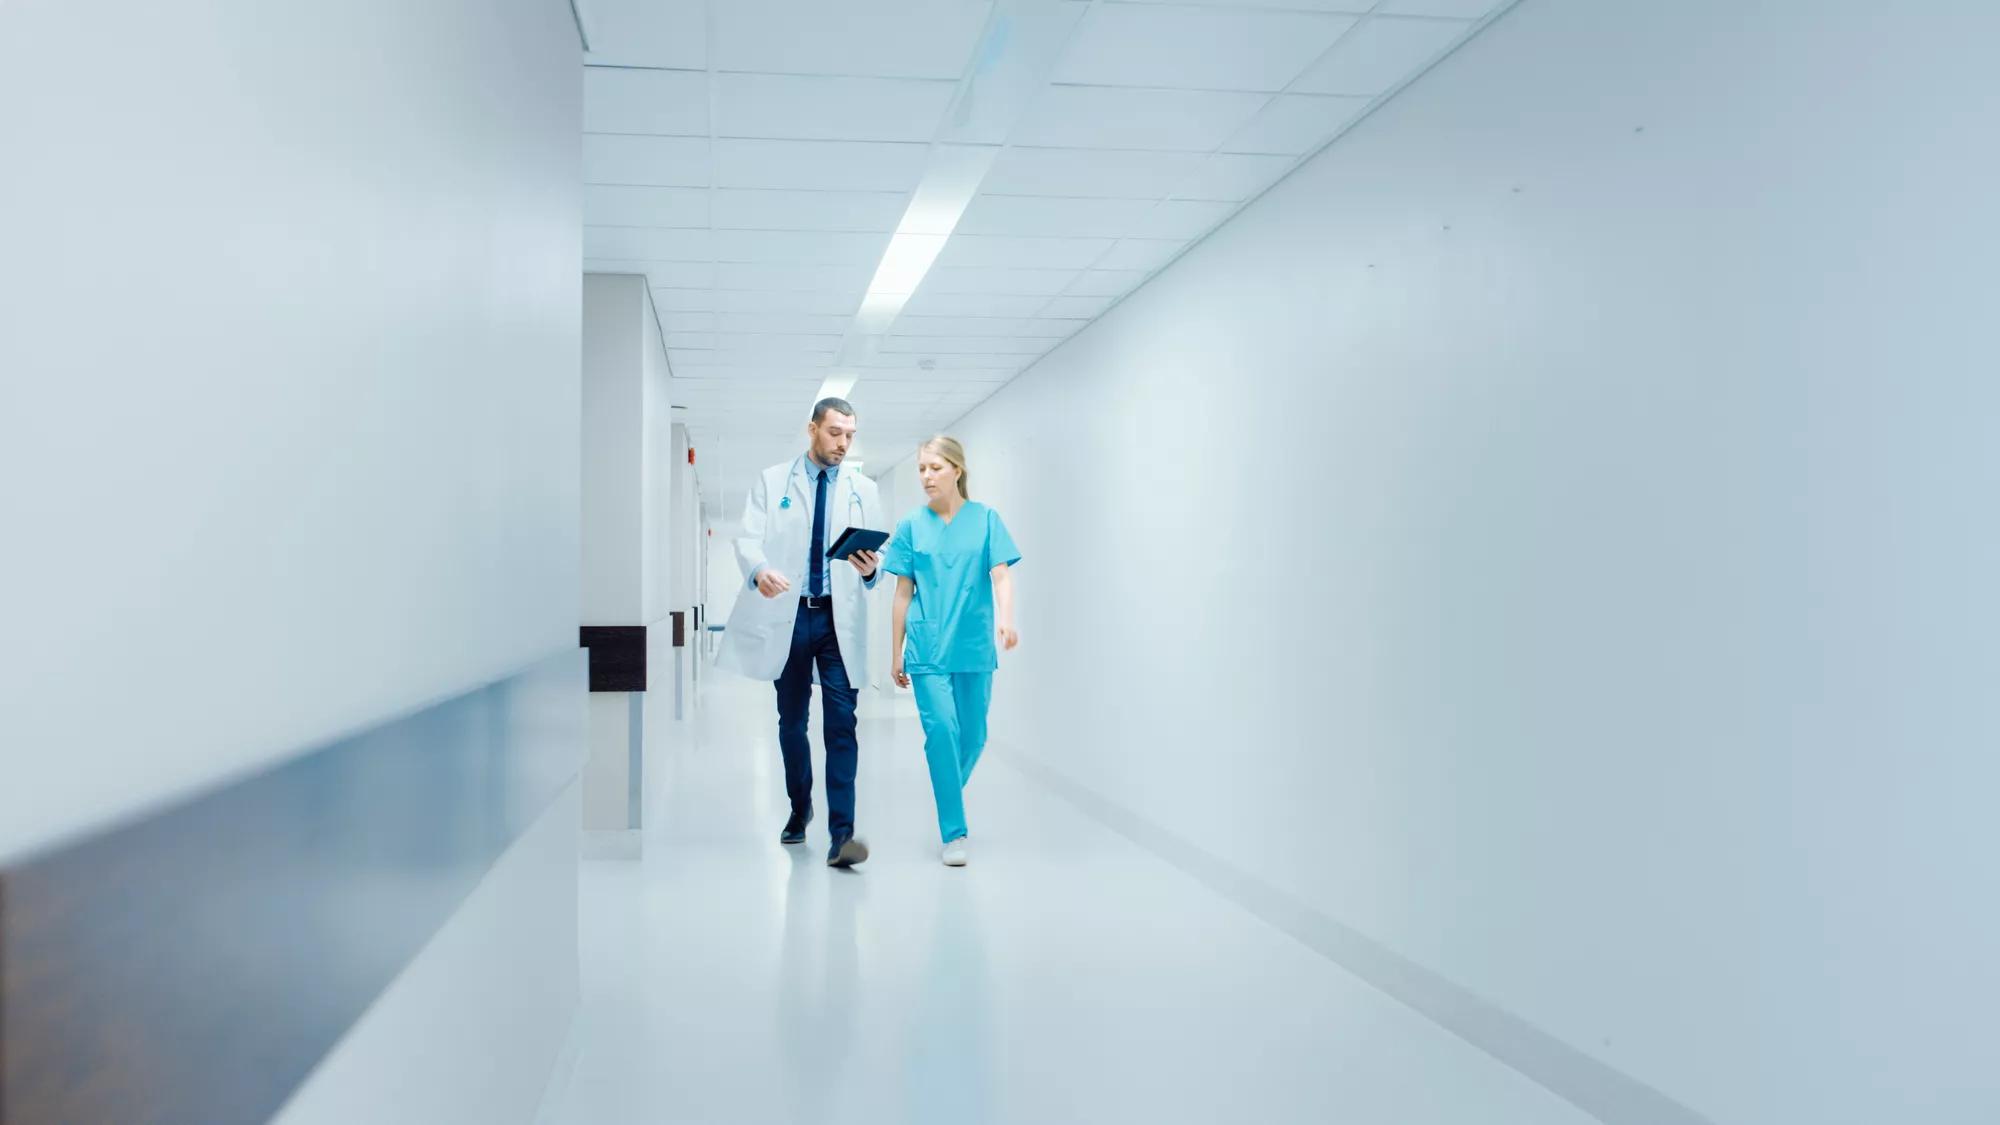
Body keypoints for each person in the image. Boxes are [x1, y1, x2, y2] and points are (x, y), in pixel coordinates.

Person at [718, 398, 885, 868]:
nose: (843, 443)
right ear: (812, 429)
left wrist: (872, 570)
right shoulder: (774, 482)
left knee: (841, 725)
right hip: (790, 616)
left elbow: (878, 558)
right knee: (791, 722)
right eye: (835, 433)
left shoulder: (863, 488)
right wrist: (760, 570)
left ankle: (842, 835)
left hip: (838, 621)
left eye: (850, 435)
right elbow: (749, 538)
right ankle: (799, 808)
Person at [881, 436, 1020, 868]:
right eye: (921, 469)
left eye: (934, 468)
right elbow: (902, 593)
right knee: (941, 731)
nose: (926, 477)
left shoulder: (986, 520)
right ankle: (953, 831)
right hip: (926, 646)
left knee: (974, 735)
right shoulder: (910, 526)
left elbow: (1000, 576)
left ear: (956, 470)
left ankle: (946, 792)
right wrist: (896, 651)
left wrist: (1007, 617)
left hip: (973, 644)